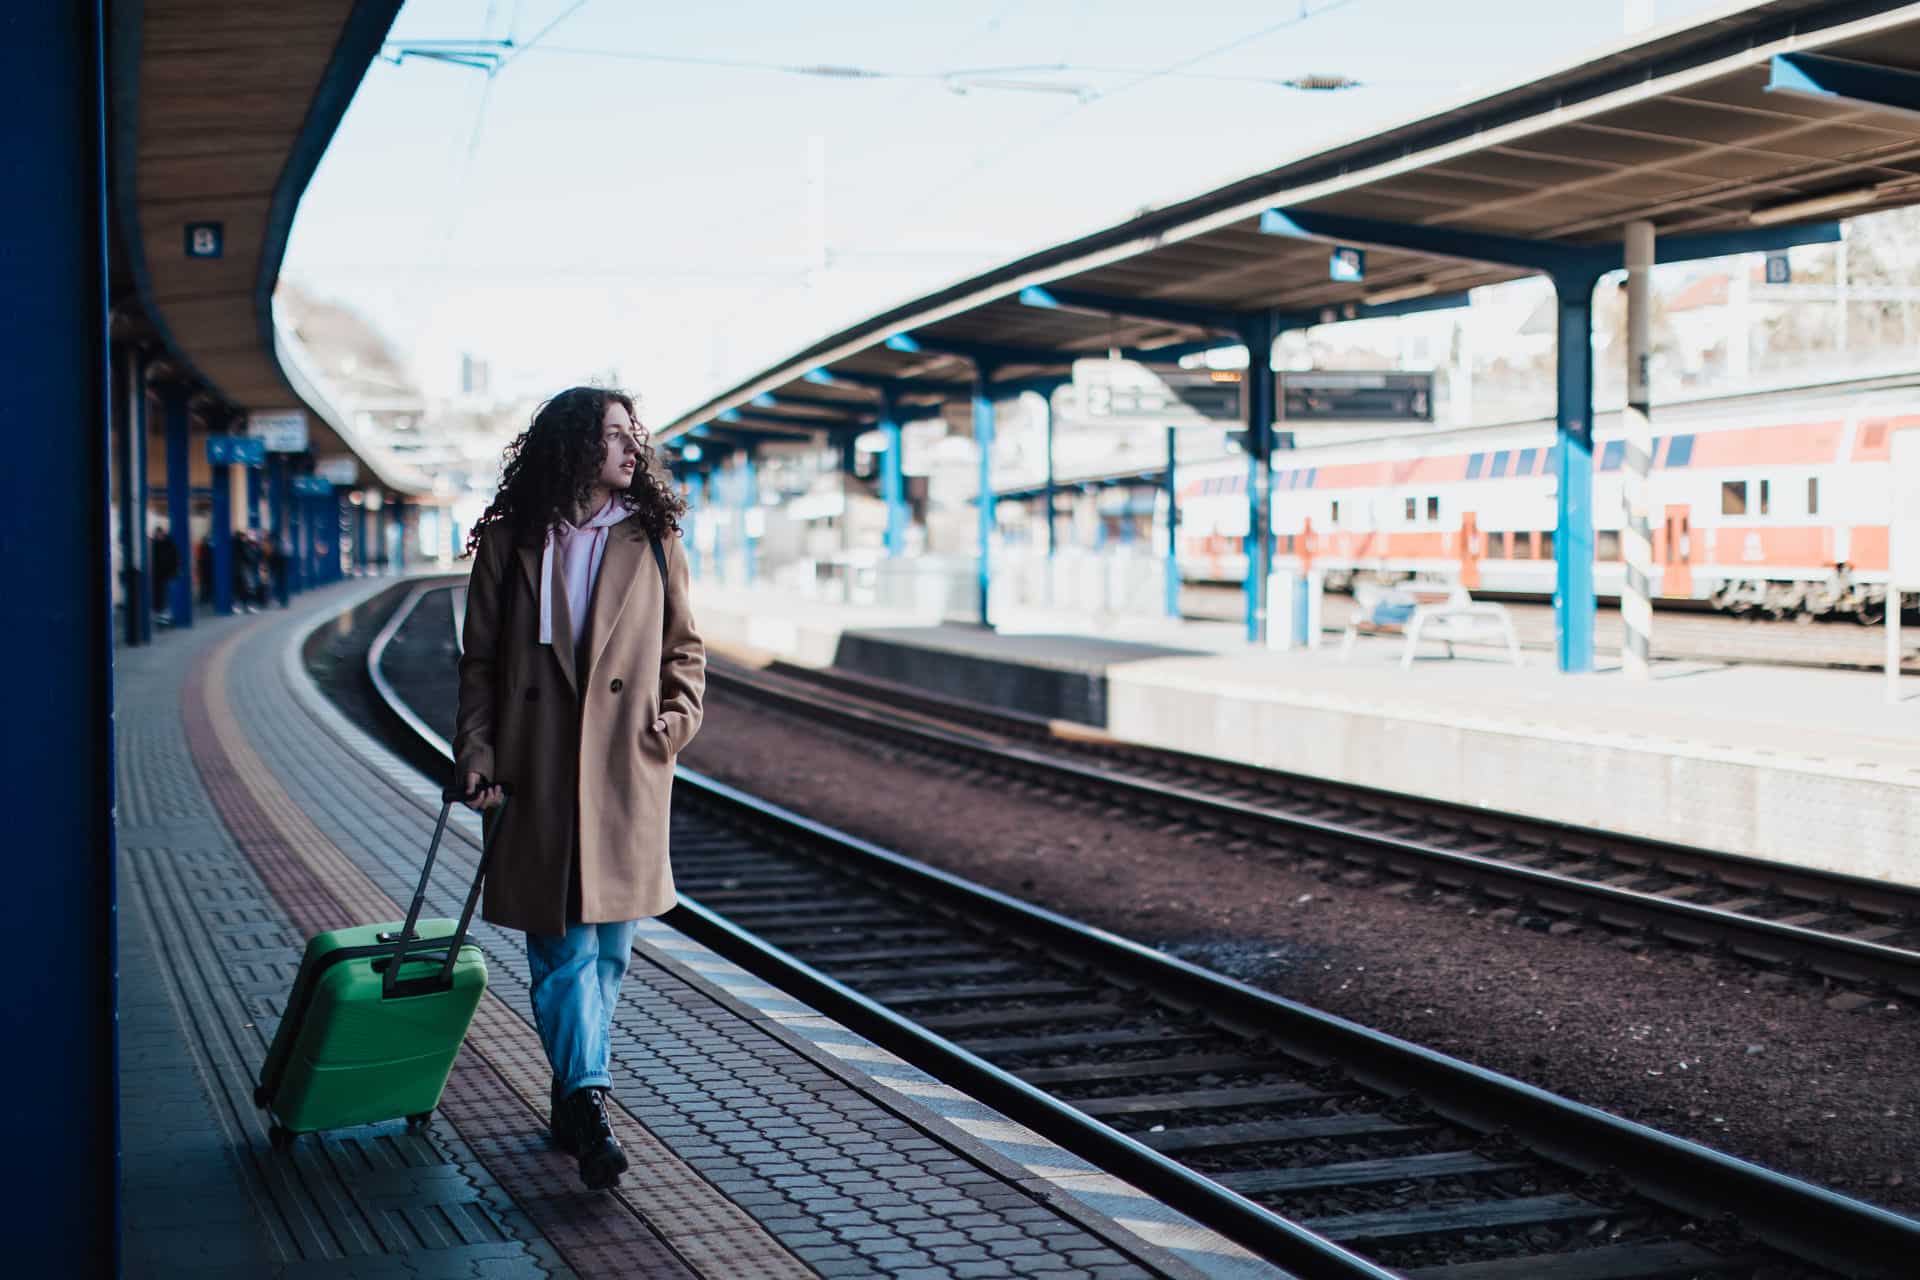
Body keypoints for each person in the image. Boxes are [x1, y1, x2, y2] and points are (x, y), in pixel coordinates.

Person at [452, 387, 704, 1192]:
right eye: (615, 437)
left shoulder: (655, 536)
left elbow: (684, 649)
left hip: (626, 769)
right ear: (571, 448)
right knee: (561, 947)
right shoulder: (513, 540)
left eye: (635, 436)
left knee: (611, 951)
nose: (632, 451)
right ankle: (591, 1100)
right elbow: (480, 664)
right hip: (537, 769)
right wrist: (477, 751)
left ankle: (571, 1092)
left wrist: (674, 723)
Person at [150, 523, 178, 621]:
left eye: (159, 534)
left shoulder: (169, 544)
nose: (158, 536)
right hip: (158, 576)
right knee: (159, 595)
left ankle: (167, 614)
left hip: (168, 574)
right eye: (157, 534)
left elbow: (175, 559)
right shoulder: (155, 544)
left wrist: (174, 572)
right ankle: (161, 614)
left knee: (167, 594)